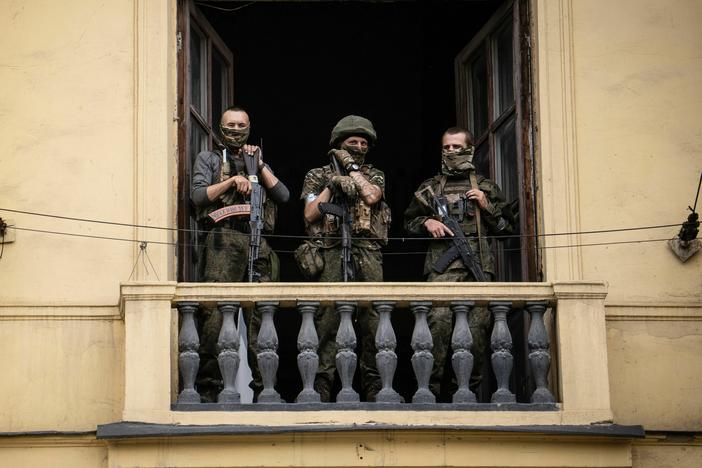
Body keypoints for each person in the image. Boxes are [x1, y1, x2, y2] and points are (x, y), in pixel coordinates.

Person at [403, 127, 513, 401]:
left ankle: (464, 395)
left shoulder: (485, 187)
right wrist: (427, 222)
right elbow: (407, 224)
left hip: (477, 274)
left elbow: (506, 230)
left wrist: (486, 206)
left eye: (456, 147)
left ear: (469, 150)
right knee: (435, 332)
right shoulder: (430, 188)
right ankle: (431, 395)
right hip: (441, 275)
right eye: (447, 147)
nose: (450, 152)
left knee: (475, 338)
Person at [191, 106, 290, 402]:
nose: (236, 129)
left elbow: (283, 195)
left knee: (262, 316)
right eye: (230, 124)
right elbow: (197, 196)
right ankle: (210, 389)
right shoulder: (209, 159)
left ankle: (265, 389)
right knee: (216, 316)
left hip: (256, 240)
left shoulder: (258, 161)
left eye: (241, 125)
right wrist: (232, 181)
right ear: (221, 128)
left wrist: (256, 165)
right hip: (223, 240)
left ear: (249, 127)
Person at [299, 115, 391, 402]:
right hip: (330, 252)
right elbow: (310, 213)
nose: (359, 146)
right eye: (353, 142)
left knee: (372, 321)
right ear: (339, 144)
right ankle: (322, 385)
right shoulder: (316, 175)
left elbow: (372, 196)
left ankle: (375, 386)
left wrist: (352, 170)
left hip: (367, 253)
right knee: (326, 320)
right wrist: (333, 182)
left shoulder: (374, 174)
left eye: (364, 142)